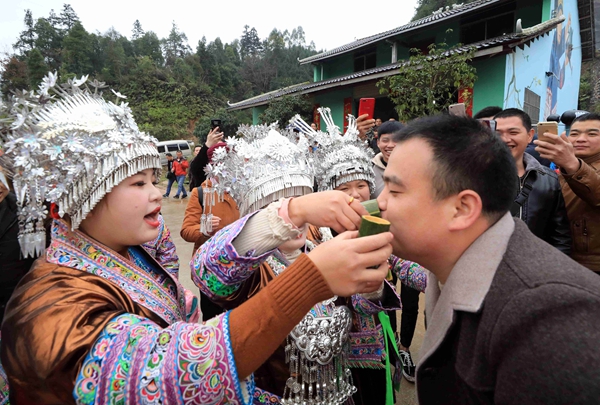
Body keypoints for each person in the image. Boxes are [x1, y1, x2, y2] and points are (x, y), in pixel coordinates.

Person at [0, 74, 393, 404]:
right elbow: (173, 371)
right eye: (138, 183)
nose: (157, 194)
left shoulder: (131, 255)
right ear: (83, 197)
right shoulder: (48, 309)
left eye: (154, 180)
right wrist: (310, 275)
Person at [377, 113, 600, 404]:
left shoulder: (550, 321)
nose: (379, 202)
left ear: (462, 209)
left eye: (394, 190)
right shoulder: (449, 266)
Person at [192, 122, 398, 405]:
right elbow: (206, 273)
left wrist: (373, 288)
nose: (297, 219)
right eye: (278, 204)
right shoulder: (253, 272)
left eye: (300, 198)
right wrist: (292, 212)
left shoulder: (324, 249)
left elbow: (357, 309)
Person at [292, 108, 427, 404]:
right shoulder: (314, 234)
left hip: (374, 339)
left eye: (361, 185)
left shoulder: (375, 223)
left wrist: (441, 276)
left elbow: (404, 263)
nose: (354, 195)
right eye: (344, 188)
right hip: (333, 348)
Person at [495, 108, 571, 254]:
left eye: (513, 132)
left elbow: (560, 235)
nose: (505, 139)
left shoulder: (549, 179)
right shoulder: (474, 176)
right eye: (498, 133)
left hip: (534, 262)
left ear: (529, 136)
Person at [181, 141, 240, 320]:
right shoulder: (200, 193)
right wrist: (204, 229)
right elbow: (186, 230)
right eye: (223, 162)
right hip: (211, 270)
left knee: (239, 317)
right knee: (213, 318)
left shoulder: (241, 191)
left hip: (239, 268)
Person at [535, 113, 600, 273]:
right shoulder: (562, 169)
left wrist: (572, 165)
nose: (581, 139)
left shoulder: (572, 166)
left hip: (592, 265)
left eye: (592, 134)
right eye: (575, 133)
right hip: (560, 259)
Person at [372, 121, 403, 197]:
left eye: (396, 140)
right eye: (385, 140)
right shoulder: (370, 170)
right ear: (378, 143)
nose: (390, 145)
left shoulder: (414, 169)